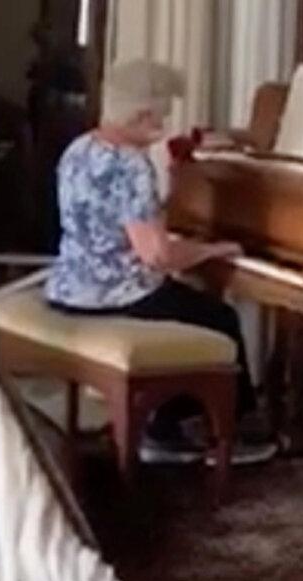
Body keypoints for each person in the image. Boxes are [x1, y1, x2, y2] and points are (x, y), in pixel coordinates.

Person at [45, 60, 275, 466]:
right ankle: (220, 433)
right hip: (116, 296)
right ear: (142, 114)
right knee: (220, 319)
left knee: (187, 307)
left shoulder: (78, 149)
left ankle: (168, 420)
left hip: (70, 289)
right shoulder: (132, 165)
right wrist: (212, 250)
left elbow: (116, 226)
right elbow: (158, 256)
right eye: (161, 114)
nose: (164, 124)